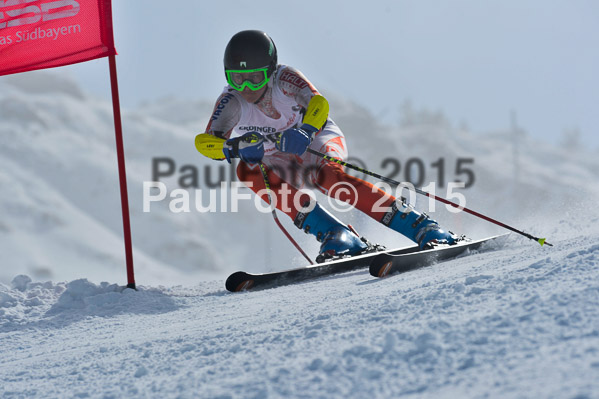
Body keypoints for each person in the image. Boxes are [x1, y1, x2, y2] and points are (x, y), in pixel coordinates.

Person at [204, 30, 458, 262]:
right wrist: (233, 148)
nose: (246, 88)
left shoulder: (285, 79)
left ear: (270, 71)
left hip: (315, 141)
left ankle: (422, 226)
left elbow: (319, 104)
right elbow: (205, 142)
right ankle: (336, 234)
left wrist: (305, 131)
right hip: (277, 160)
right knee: (247, 172)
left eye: (255, 78)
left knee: (328, 178)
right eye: (237, 78)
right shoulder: (231, 101)